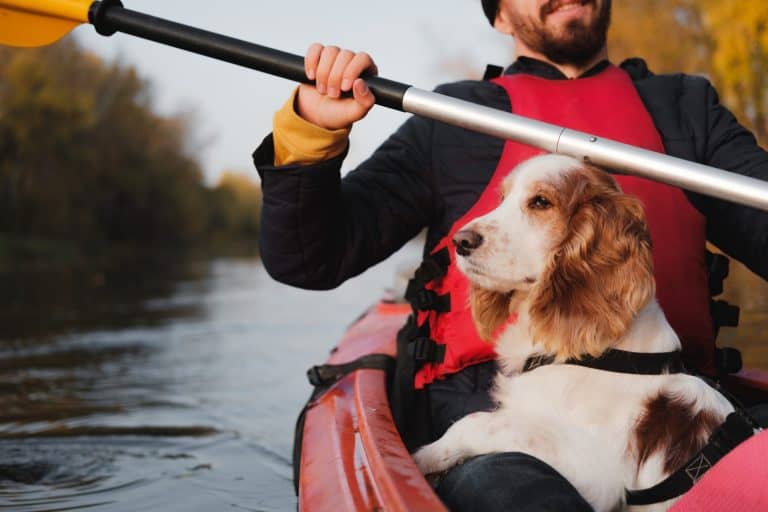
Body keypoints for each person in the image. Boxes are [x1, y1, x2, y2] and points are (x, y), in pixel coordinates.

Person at [253, 0, 768, 509]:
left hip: (671, 421)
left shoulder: (686, 108)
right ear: (498, 15)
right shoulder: (452, 117)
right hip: (496, 421)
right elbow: (309, 257)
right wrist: (311, 130)